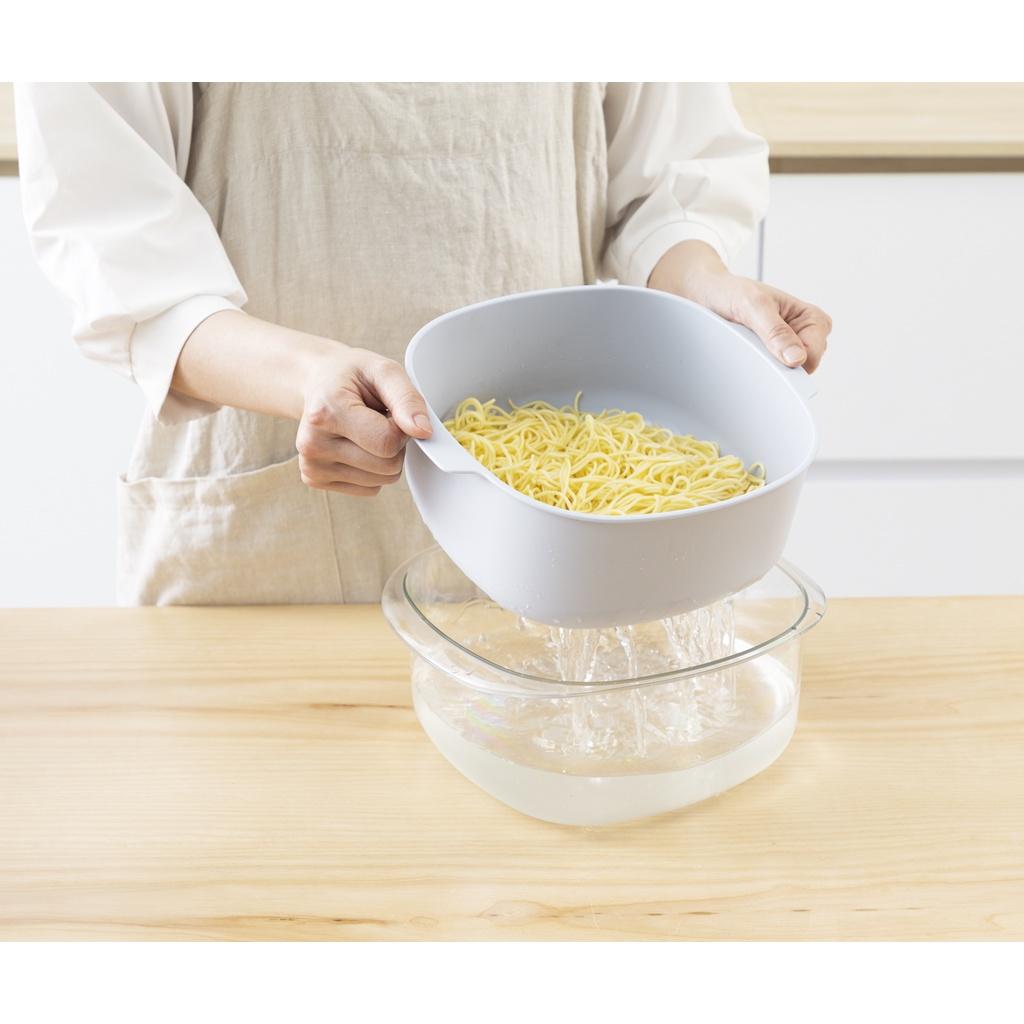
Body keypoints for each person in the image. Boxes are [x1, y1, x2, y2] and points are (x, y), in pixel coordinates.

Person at [15, 83, 830, 606]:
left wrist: (701, 280)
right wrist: (308, 376)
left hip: (567, 535)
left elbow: (658, 180)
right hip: (271, 536)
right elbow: (125, 254)